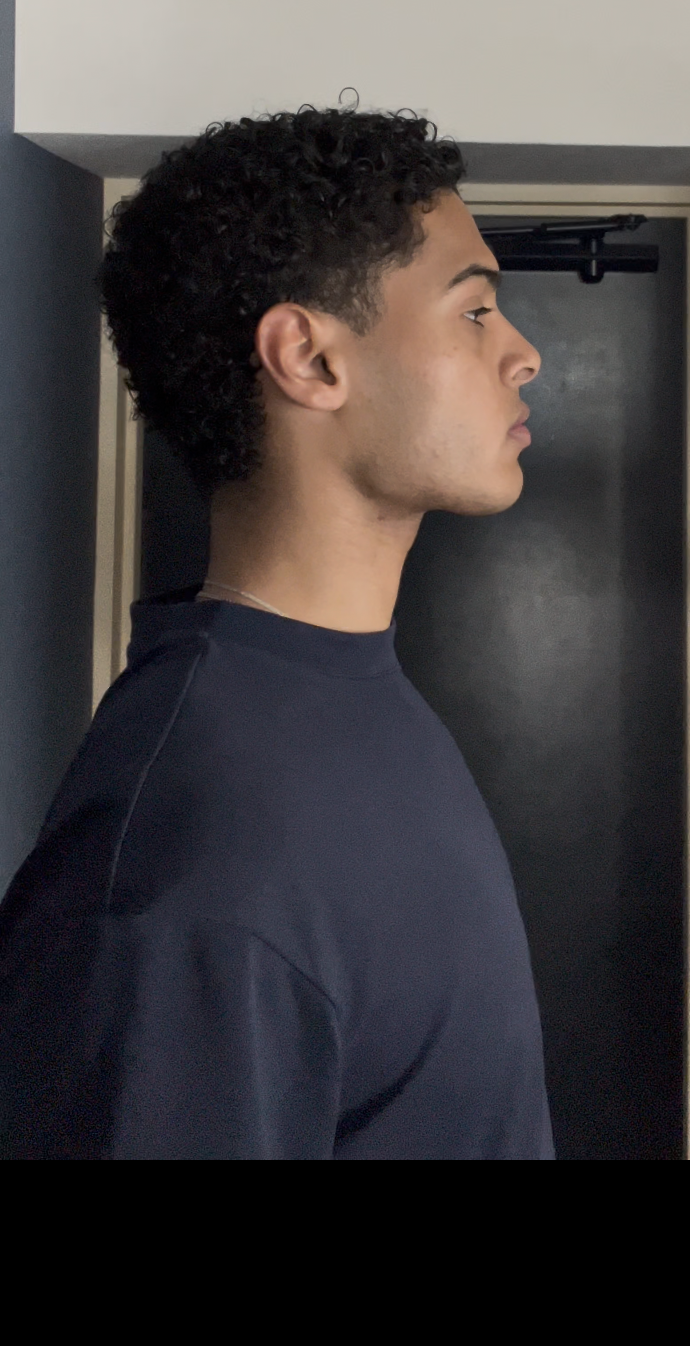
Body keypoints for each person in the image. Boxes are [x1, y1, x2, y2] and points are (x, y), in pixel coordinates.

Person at [0, 105, 551, 1160]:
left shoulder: (346, 690)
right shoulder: (191, 877)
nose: (522, 354)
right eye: (476, 311)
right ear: (309, 358)